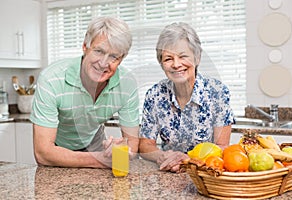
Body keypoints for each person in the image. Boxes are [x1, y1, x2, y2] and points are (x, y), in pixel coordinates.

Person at [30, 16, 140, 168]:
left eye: (113, 56)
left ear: (121, 59)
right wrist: (100, 160)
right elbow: (43, 153)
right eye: (99, 51)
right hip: (57, 152)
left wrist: (121, 150)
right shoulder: (51, 79)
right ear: (85, 47)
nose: (103, 63)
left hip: (94, 145)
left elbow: (132, 145)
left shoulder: (127, 83)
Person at [139, 22, 234, 173]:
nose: (176, 64)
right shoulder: (154, 94)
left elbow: (222, 147)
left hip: (206, 174)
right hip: (167, 172)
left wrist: (187, 161)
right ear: (161, 63)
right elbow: (144, 145)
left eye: (183, 56)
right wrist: (163, 157)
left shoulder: (218, 92)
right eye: (168, 58)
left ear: (197, 58)